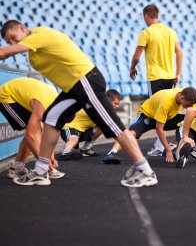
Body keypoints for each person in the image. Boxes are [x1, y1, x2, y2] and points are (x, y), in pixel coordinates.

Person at [0, 20, 156, 187]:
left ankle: (145, 171)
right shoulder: (33, 52)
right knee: (51, 118)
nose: (14, 43)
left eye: (14, 37)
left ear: (22, 28)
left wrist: (7, 49)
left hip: (86, 79)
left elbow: (3, 53)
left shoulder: (40, 34)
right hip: (73, 88)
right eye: (10, 41)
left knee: (113, 126)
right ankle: (40, 171)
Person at [129, 4, 183, 157]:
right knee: (166, 111)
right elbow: (179, 53)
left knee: (155, 112)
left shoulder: (146, 32)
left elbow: (136, 57)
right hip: (170, 76)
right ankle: (161, 145)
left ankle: (159, 146)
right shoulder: (171, 32)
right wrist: (178, 73)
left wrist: (132, 68)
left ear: (146, 16)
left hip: (155, 77)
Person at [103, 87, 196, 164]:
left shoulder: (188, 97)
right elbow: (159, 128)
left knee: (189, 120)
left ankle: (174, 145)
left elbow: (193, 113)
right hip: (147, 115)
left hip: (165, 117)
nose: (188, 107)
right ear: (182, 98)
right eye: (188, 105)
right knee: (131, 133)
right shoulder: (167, 102)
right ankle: (111, 153)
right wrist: (168, 150)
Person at [0, 77, 65, 179]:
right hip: (7, 95)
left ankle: (16, 168)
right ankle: (29, 168)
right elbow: (30, 135)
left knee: (36, 132)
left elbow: (48, 135)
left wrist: (50, 157)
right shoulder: (42, 107)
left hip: (28, 95)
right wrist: (43, 162)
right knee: (33, 133)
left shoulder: (56, 104)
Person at [59, 89, 121, 161]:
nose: (117, 106)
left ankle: (86, 148)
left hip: (84, 131)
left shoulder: (104, 109)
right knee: (74, 139)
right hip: (70, 127)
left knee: (104, 125)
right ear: (107, 101)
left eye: (118, 104)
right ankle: (65, 153)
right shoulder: (95, 105)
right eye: (115, 103)